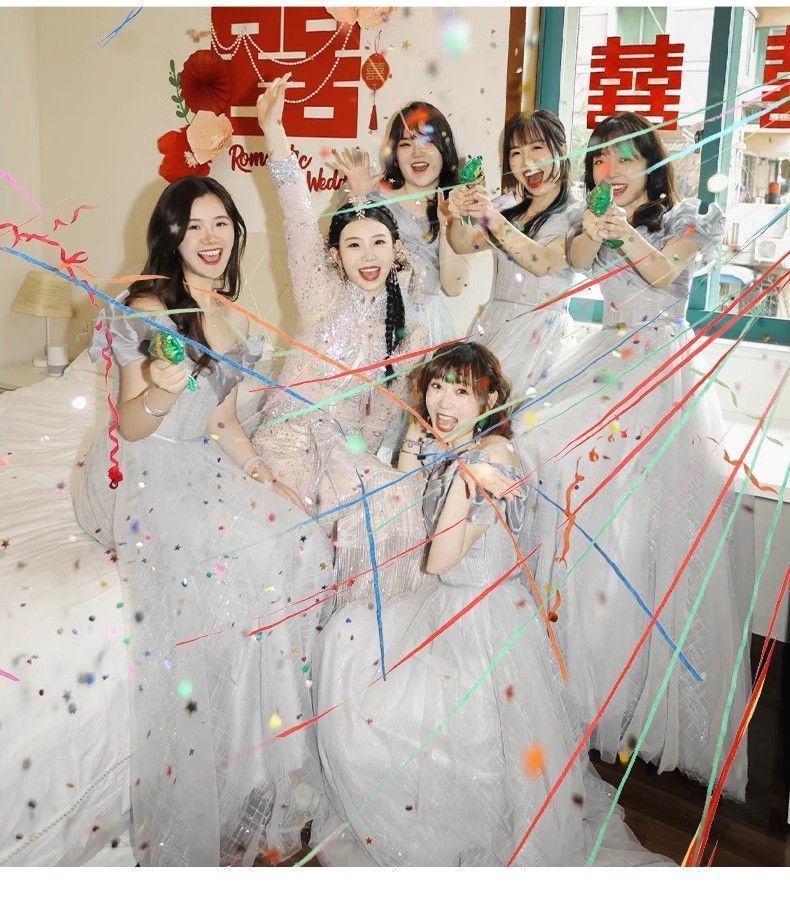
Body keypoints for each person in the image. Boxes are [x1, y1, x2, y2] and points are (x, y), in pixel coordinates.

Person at [310, 341, 670, 866]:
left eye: (461, 391)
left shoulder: (494, 455)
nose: (443, 402)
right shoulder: (454, 444)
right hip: (446, 603)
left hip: (480, 617)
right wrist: (416, 442)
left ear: (490, 400)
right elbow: (407, 499)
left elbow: (439, 559)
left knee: (408, 706)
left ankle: (458, 827)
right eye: (436, 387)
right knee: (346, 635)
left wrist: (464, 478)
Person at [72, 175, 333, 865]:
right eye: (194, 226)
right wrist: (160, 389)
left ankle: (266, 777)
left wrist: (267, 477)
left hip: (205, 459)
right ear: (171, 235)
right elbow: (131, 426)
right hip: (147, 467)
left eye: (221, 223)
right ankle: (223, 785)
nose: (210, 238)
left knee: (297, 542)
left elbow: (223, 424)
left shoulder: (223, 309)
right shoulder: (148, 307)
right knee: (231, 582)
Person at [515, 112, 749, 797]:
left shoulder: (685, 219)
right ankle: (577, 684)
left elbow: (666, 271)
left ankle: (639, 701)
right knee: (551, 466)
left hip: (662, 375)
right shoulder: (594, 218)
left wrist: (623, 232)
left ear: (651, 162)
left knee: (648, 536)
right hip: (605, 363)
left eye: (624, 158)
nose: (609, 171)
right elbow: (572, 262)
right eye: (600, 160)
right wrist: (594, 229)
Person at [251, 74, 428, 602]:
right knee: (293, 553)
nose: (367, 256)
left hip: (348, 453)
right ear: (334, 256)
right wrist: (275, 132)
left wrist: (364, 463)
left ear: (396, 250)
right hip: (290, 439)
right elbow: (296, 214)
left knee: (388, 511)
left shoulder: (407, 329)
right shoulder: (319, 295)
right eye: (353, 245)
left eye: (378, 243)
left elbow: (384, 415)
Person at [447, 109, 581, 403]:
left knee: (522, 420)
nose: (526, 162)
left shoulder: (577, 215)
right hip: (495, 325)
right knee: (477, 412)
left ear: (562, 150)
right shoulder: (507, 206)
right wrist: (457, 213)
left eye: (537, 148)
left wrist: (490, 217)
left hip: (542, 338)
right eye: (516, 153)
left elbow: (542, 263)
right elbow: (462, 244)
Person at [333, 100, 469, 346]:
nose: (417, 153)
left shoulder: (457, 206)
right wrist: (357, 198)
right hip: (370, 321)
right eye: (406, 144)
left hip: (425, 327)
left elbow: (454, 287)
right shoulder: (374, 199)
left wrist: (448, 223)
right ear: (395, 154)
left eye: (427, 141)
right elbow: (336, 262)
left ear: (444, 149)